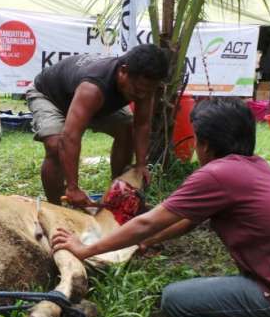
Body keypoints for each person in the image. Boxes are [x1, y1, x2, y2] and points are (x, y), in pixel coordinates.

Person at [52, 97, 270, 317]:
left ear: (204, 144)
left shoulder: (216, 174)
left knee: (176, 302)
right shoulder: (253, 167)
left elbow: (146, 223)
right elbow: (188, 220)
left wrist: (85, 250)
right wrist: (149, 242)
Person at [27, 44, 168, 207]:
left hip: (90, 103)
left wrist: (141, 164)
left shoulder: (143, 85)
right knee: (55, 146)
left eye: (147, 91)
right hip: (50, 96)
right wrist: (73, 188)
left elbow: (141, 124)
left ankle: (117, 194)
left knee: (126, 128)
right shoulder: (93, 87)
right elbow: (71, 136)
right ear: (123, 71)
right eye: (137, 90)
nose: (142, 95)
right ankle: (55, 208)